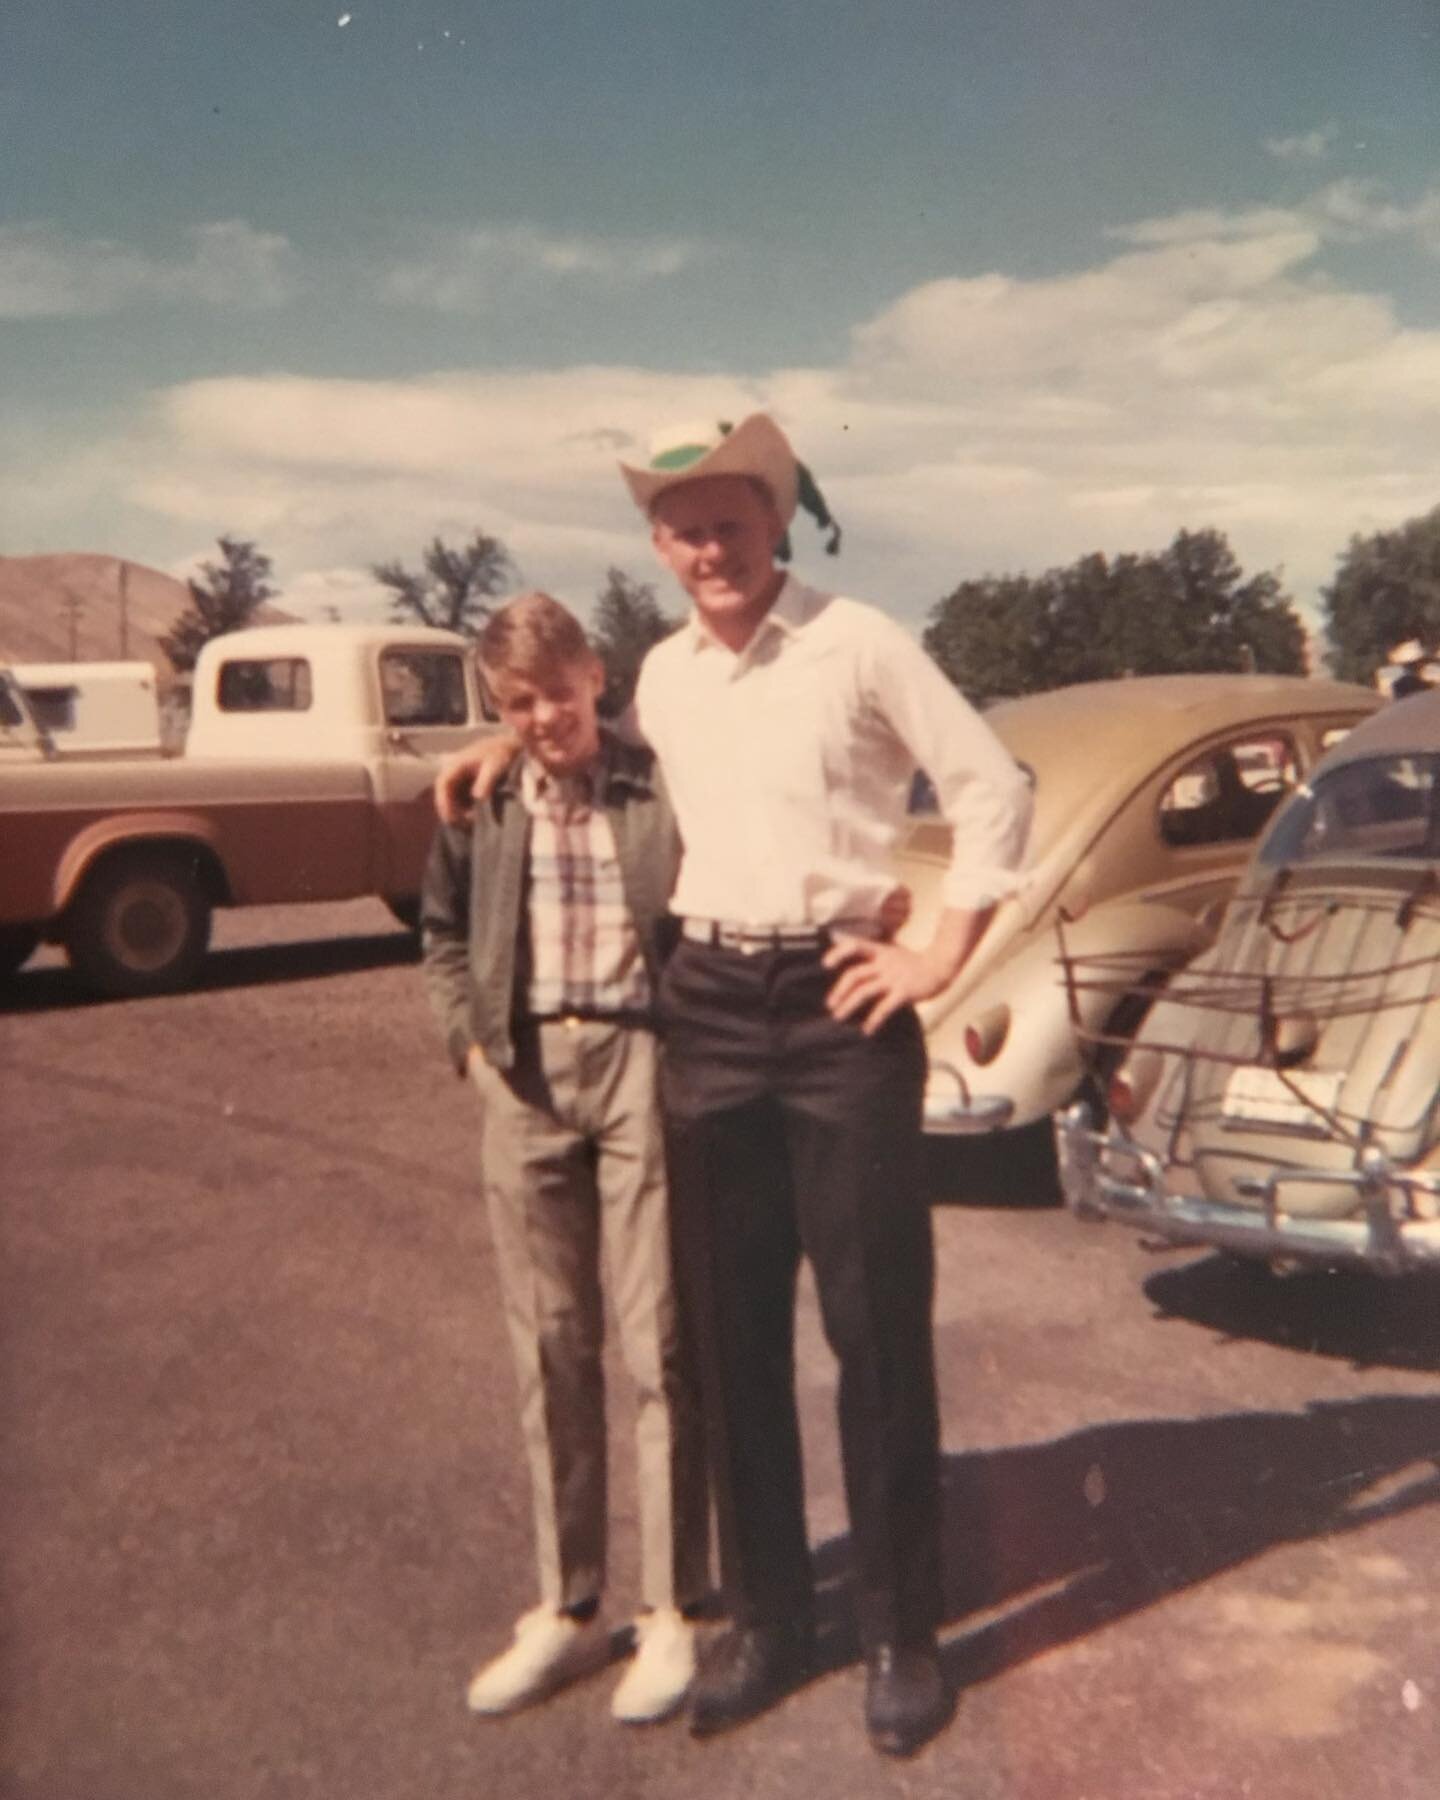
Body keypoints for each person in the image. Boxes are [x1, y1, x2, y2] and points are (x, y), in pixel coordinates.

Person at [438, 415, 1032, 1757]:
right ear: (658, 545)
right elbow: (602, 752)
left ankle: (899, 1635)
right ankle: (769, 1620)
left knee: (875, 1331)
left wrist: (937, 949)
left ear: (777, 520)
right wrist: (492, 755)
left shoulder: (859, 643)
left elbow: (996, 787)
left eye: (732, 523)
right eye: (684, 530)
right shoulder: (663, 673)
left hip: (837, 1009)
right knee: (731, 1337)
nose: (710, 549)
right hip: (702, 1007)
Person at [420, 591, 708, 1725]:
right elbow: (441, 934)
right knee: (549, 1347)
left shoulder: (657, 784)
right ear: (500, 708)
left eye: (560, 689)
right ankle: (569, 1608)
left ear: (598, 675)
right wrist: (469, 1046)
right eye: (517, 703)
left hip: (643, 1065)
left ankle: (675, 1609)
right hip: (526, 1073)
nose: (545, 718)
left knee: (661, 1342)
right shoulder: (480, 804)